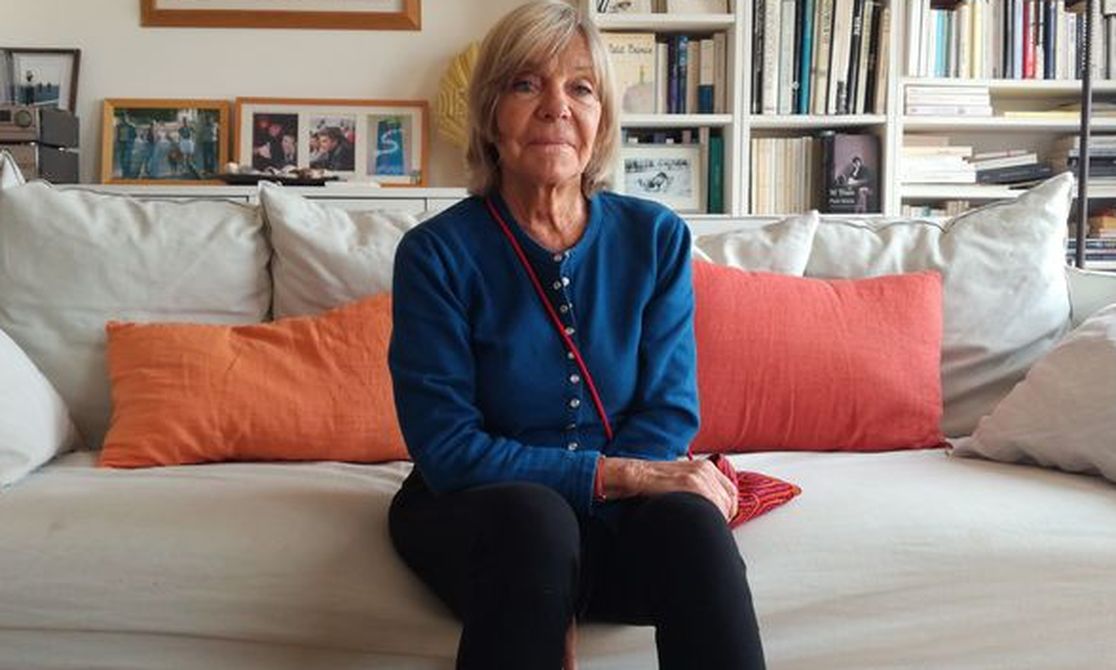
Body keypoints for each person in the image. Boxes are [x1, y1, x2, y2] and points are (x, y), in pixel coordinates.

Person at [386, 2, 766, 669]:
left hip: (615, 519)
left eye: (581, 88)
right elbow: (447, 447)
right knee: (537, 524)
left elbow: (668, 411)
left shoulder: (655, 237)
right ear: (490, 114)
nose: (557, 107)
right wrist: (609, 477)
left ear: (603, 120)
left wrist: (616, 491)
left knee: (691, 523)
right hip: (481, 517)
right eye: (526, 84)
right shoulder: (435, 253)